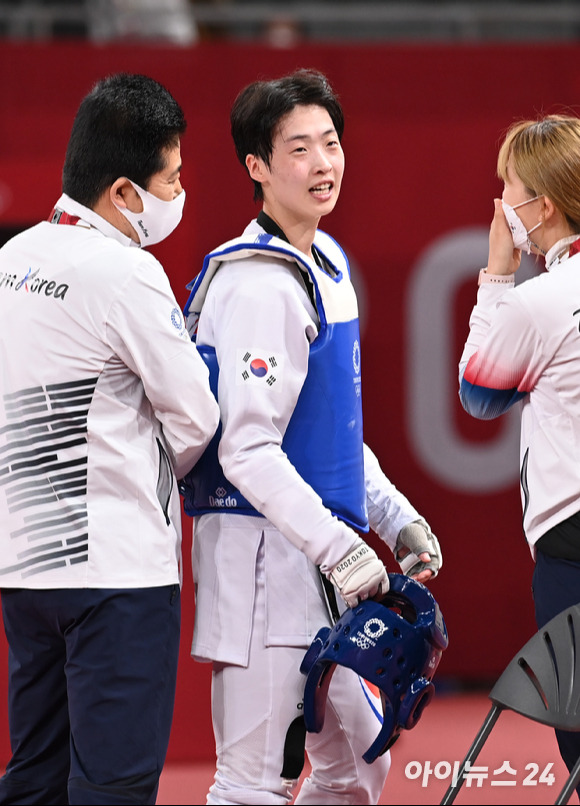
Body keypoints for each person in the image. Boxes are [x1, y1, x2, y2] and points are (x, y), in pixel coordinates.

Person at [181, 68, 442, 805]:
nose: (324, 164)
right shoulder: (259, 283)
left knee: (359, 767)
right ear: (256, 168)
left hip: (324, 567)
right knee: (251, 787)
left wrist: (394, 517)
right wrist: (343, 548)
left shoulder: (325, 265)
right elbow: (248, 448)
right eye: (300, 149)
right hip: (263, 569)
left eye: (331, 143)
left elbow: (329, 431)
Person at [0, 73, 220, 805]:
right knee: (113, 789)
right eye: (174, 176)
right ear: (126, 193)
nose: (181, 191)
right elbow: (196, 417)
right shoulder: (129, 273)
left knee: (33, 779)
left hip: (25, 569)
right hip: (118, 575)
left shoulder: (8, 264)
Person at [459, 113, 580, 793]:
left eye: (509, 191)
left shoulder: (544, 301)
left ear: (545, 206)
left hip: (573, 545)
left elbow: (479, 393)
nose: (501, 208)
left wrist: (497, 275)